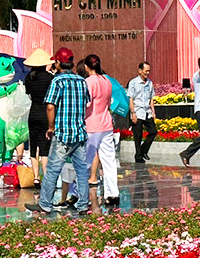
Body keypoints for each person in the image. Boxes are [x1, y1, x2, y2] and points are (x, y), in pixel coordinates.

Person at [42, 54, 92, 213]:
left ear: (58, 63)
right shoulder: (82, 81)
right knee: (82, 171)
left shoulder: (57, 81)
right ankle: (83, 205)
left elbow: (50, 106)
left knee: (52, 170)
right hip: (79, 133)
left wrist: (51, 127)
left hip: (63, 133)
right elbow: (86, 102)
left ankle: (44, 204)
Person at [79, 54, 122, 210]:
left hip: (92, 125)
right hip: (106, 124)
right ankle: (113, 194)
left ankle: (80, 194)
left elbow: (86, 102)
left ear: (86, 66)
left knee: (86, 161)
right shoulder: (107, 81)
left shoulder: (88, 82)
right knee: (109, 161)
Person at [24, 49, 58, 172]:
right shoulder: (50, 78)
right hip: (46, 114)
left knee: (33, 146)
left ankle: (36, 177)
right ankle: (45, 174)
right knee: (44, 147)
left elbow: (29, 95)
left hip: (33, 113)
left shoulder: (28, 78)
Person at [126, 60, 157, 161]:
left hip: (147, 112)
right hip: (138, 111)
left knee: (153, 132)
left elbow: (151, 98)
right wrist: (133, 113)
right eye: (145, 71)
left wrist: (153, 112)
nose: (147, 73)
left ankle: (143, 150)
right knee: (138, 135)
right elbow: (131, 98)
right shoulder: (133, 83)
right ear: (140, 71)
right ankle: (138, 157)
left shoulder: (150, 83)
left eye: (149, 71)